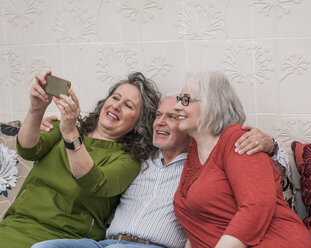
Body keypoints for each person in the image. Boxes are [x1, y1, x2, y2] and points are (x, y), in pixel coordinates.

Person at [32, 95, 290, 248]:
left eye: (172, 116)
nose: (160, 122)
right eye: (157, 115)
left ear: (190, 125)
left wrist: (270, 145)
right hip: (104, 243)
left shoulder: (204, 164)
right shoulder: (136, 158)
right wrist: (49, 124)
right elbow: (99, 144)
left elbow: (265, 174)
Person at [0, 71, 161, 248]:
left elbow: (95, 182)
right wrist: (36, 109)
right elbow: (27, 150)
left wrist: (70, 133)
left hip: (64, 239)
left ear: (138, 124)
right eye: (115, 98)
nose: (117, 106)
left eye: (128, 106)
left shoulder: (128, 161)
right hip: (16, 225)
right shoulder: (62, 128)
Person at [173, 72, 311, 248]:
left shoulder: (238, 139)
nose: (177, 106)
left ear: (213, 104)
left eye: (186, 99)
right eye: (179, 99)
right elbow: (199, 227)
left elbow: (257, 205)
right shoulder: (194, 150)